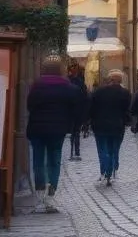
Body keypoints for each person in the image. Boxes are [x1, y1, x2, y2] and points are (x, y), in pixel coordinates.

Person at [26, 57, 86, 213]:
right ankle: (50, 197)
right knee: (54, 160)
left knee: (38, 161)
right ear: (61, 70)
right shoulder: (69, 88)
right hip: (58, 130)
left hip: (37, 129)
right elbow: (77, 110)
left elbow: (30, 106)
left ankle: (39, 197)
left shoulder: (36, 86)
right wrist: (73, 126)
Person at [88, 70, 131, 187]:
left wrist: (90, 122)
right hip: (117, 125)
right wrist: (126, 121)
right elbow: (127, 110)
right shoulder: (125, 93)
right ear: (120, 81)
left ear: (109, 80)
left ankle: (104, 172)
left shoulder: (98, 92)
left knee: (102, 150)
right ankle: (111, 172)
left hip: (100, 125)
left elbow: (91, 109)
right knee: (114, 149)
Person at [67, 63, 88, 160]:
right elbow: (85, 98)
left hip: (74, 110)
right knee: (75, 132)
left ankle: (75, 150)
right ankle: (76, 151)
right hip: (75, 110)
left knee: (75, 131)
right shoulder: (79, 82)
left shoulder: (70, 81)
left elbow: (85, 98)